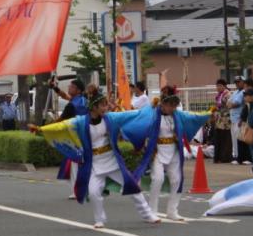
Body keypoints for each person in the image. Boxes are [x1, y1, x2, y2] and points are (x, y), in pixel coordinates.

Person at [32, 94, 159, 228]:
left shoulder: (110, 118)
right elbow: (61, 126)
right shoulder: (80, 122)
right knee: (93, 192)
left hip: (112, 161)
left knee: (132, 186)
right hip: (94, 164)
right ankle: (100, 219)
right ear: (94, 107)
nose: (106, 107)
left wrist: (151, 107)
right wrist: (41, 130)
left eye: (106, 104)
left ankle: (148, 214)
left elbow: (132, 114)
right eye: (103, 105)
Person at [124, 92, 210, 221]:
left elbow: (194, 117)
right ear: (163, 104)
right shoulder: (152, 114)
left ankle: (172, 211)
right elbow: (138, 116)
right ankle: (152, 211)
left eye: (175, 105)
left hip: (174, 150)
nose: (173, 108)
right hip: (157, 151)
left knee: (177, 180)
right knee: (158, 179)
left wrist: (208, 113)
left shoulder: (177, 115)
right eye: (171, 105)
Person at [236, 88, 253, 166]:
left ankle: (242, 159)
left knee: (243, 141)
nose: (245, 97)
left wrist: (240, 122)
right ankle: (251, 159)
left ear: (252, 97)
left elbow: (243, 117)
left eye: (246, 96)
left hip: (247, 127)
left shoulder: (247, 105)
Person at [227, 78, 246, 162]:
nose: (237, 84)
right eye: (236, 82)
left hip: (239, 118)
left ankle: (240, 156)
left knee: (239, 138)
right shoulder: (235, 92)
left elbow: (236, 104)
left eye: (239, 82)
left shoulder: (243, 92)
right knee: (234, 138)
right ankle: (235, 155)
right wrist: (231, 104)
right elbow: (228, 103)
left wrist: (231, 104)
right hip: (233, 118)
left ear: (243, 82)